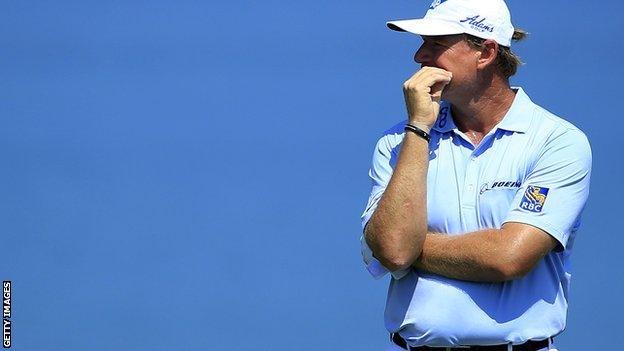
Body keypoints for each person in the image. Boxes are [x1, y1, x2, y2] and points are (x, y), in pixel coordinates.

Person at [360, 0, 592, 350]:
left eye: (436, 44)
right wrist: (419, 128)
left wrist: (412, 249)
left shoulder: (558, 141)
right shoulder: (400, 140)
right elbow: (392, 252)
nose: (419, 56)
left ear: (486, 53)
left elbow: (509, 258)